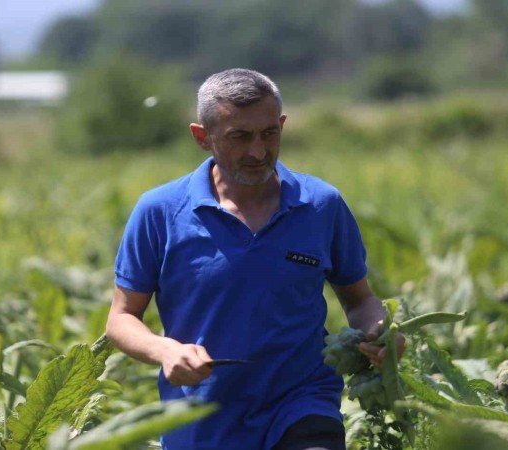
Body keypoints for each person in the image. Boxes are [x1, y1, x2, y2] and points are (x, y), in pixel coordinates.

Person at [106, 68, 405, 450]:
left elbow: (359, 300)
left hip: (303, 403)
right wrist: (166, 350)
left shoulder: (321, 205)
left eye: (269, 133)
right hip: (202, 418)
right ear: (202, 137)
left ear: (282, 125)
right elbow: (121, 318)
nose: (258, 152)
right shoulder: (160, 211)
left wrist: (380, 332)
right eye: (240, 137)